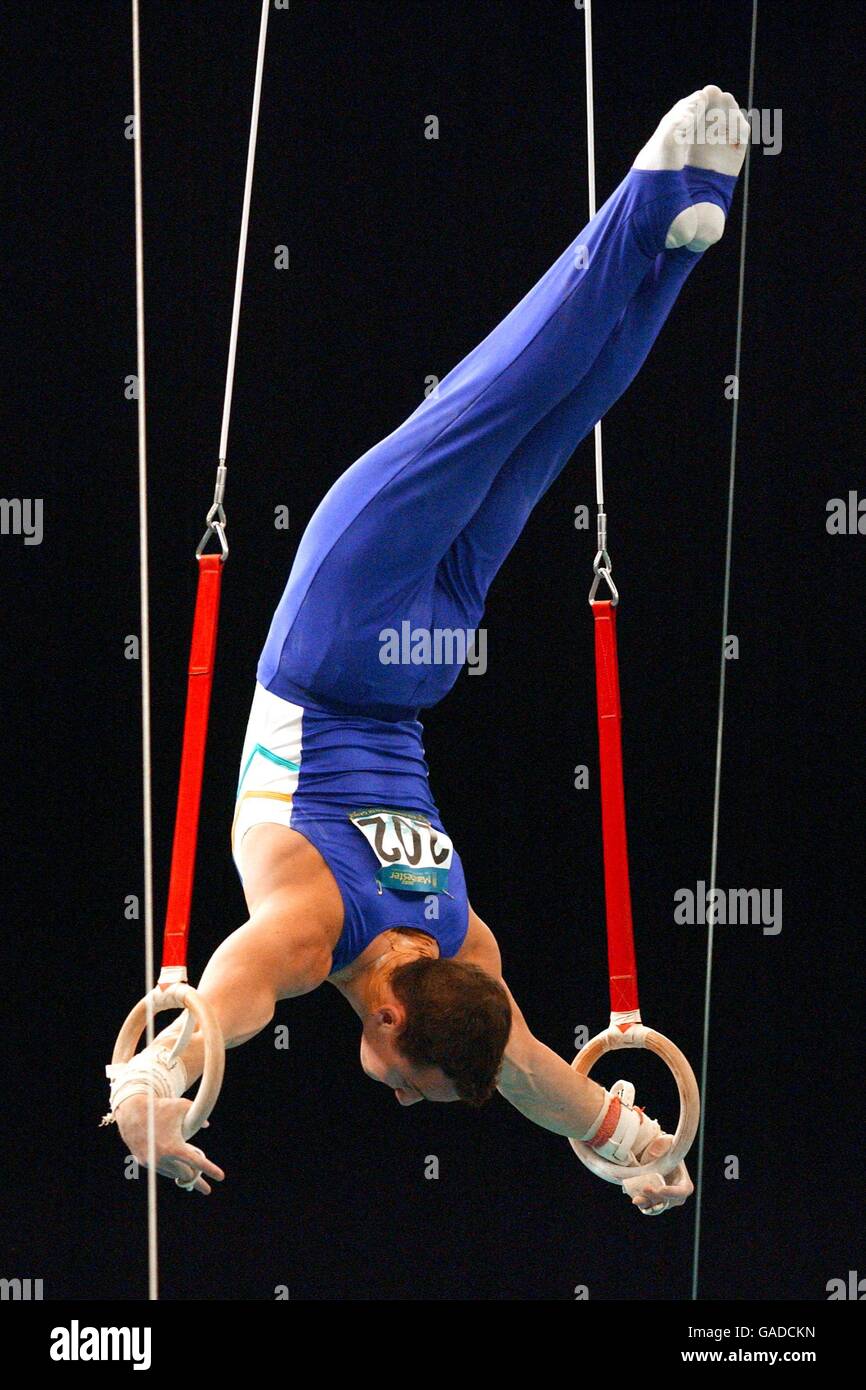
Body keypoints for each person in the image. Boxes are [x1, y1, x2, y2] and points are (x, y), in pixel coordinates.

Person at [107, 88, 749, 1215]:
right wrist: (155, 1083)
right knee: (495, 400)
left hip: (424, 661)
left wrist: (632, 1140)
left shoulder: (468, 953)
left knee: (547, 428)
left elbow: (548, 1082)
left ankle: (679, 244)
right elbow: (219, 1004)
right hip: (336, 635)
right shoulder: (313, 936)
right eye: (414, 1085)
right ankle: (651, 191)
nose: (403, 1099)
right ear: (393, 1014)